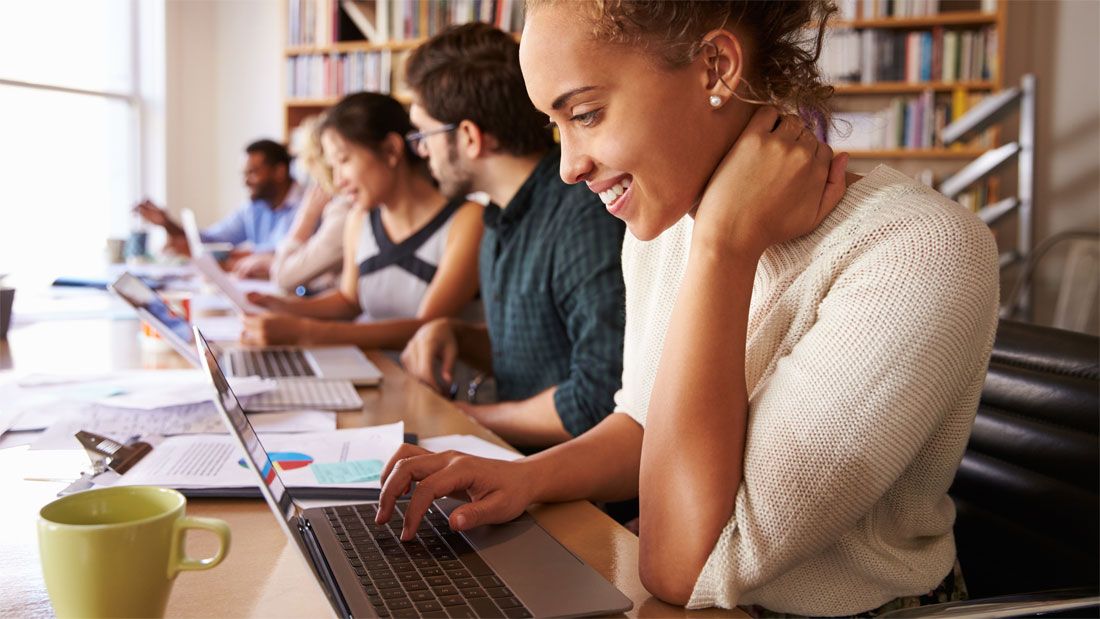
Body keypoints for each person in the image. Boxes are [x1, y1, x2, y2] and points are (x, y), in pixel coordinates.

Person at [373, 1, 1001, 616]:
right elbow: (645, 425)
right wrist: (525, 478)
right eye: (555, 126)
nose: (567, 166)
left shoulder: (916, 252)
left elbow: (686, 565)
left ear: (715, 68)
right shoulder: (670, 222)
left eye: (586, 113)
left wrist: (723, 249)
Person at [398, 23, 627, 449]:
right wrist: (458, 335)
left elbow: (599, 398)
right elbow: (542, 349)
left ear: (468, 136)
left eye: (423, 135)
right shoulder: (499, 216)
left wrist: (465, 419)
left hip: (580, 497)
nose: (421, 151)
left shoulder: (584, 215)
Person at [241, 92, 483, 352]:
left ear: (391, 150)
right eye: (333, 166)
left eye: (344, 160)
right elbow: (349, 301)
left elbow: (424, 328)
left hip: (436, 388)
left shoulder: (467, 220)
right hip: (379, 375)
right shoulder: (360, 219)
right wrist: (282, 308)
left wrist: (307, 332)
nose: (338, 179)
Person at [135, 139, 302, 278]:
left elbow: (281, 253)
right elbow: (213, 240)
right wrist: (168, 224)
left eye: (253, 173)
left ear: (280, 171)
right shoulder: (254, 207)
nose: (245, 182)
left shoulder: (305, 204)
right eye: (244, 174)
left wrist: (225, 256)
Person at [270, 114, 353, 294]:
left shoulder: (344, 209)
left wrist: (306, 217)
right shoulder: (336, 205)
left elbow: (283, 276)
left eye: (305, 159)